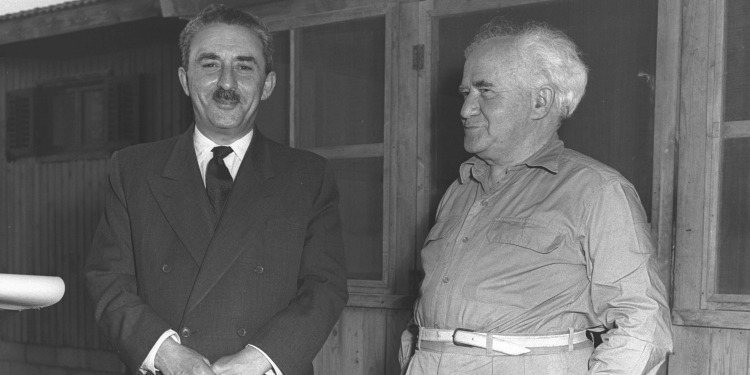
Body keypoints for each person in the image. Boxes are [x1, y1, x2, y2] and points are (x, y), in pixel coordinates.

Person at [85, 5, 348, 375]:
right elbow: (108, 281)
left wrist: (258, 360)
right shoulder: (132, 170)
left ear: (267, 84)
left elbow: (325, 287)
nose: (227, 83)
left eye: (244, 66)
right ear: (184, 79)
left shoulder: (308, 176)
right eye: (210, 64)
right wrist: (167, 355)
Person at [399, 18, 672, 375]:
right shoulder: (460, 190)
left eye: (485, 91)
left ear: (540, 102)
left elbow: (643, 323)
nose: (465, 109)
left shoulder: (597, 191)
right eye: (466, 93)